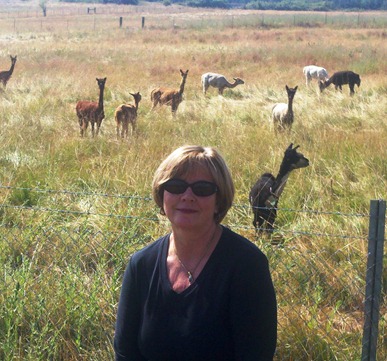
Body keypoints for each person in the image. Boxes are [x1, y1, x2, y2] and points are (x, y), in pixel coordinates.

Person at [114, 145, 277, 361]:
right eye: (176, 185)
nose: (187, 196)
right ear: (162, 195)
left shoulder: (247, 266)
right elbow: (125, 353)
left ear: (219, 200)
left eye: (202, 188)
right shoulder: (141, 265)